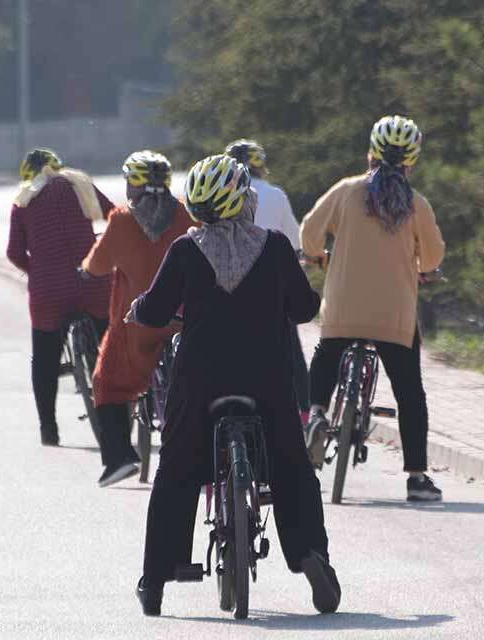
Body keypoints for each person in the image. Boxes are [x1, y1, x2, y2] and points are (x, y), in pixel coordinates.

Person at [128, 155, 339, 617]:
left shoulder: (185, 250)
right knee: (290, 464)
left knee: (177, 469)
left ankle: (157, 579)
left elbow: (158, 312)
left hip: (199, 379)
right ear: (243, 200)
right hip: (266, 375)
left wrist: (139, 307)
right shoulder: (276, 247)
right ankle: (310, 556)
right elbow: (305, 310)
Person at [301, 115, 446, 502]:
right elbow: (432, 258)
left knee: (326, 355)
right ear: (411, 161)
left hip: (343, 310)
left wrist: (318, 255)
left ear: (370, 153)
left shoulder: (346, 192)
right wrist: (424, 269)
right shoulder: (417, 204)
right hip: (393, 318)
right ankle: (416, 478)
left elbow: (309, 232)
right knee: (410, 394)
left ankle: (315, 414)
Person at [81, 151, 195, 487]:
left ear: (136, 183)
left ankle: (119, 458)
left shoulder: (122, 220)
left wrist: (85, 270)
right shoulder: (186, 216)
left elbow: (98, 265)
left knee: (106, 382)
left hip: (138, 325)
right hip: (183, 321)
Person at [7, 148, 115, 446]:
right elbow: (116, 219)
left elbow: (14, 253)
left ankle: (49, 428)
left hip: (49, 291)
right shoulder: (80, 184)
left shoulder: (23, 201)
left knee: (44, 359)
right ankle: (116, 418)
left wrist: (38, 270)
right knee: (109, 348)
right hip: (91, 282)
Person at [224, 139, 312, 423]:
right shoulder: (275, 194)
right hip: (273, 282)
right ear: (261, 167)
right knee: (291, 346)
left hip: (231, 282)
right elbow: (295, 238)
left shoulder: (222, 193)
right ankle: (304, 412)